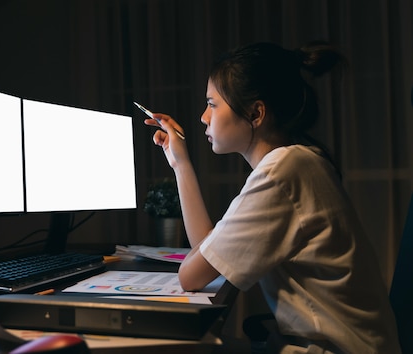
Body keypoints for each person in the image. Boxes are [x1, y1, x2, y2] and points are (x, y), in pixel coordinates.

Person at [143, 42, 401, 353]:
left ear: (255, 113)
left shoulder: (282, 174)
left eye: (212, 104)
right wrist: (180, 163)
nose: (203, 118)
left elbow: (192, 275)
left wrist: (182, 167)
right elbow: (208, 254)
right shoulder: (298, 162)